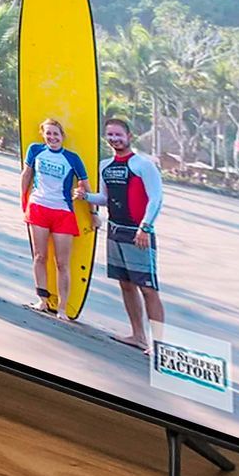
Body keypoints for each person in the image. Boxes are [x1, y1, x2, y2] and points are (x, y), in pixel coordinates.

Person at [83, 116, 166, 352]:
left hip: (138, 232)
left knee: (148, 289)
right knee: (126, 285)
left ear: (129, 137)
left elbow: (156, 199)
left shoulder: (143, 164)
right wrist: (85, 197)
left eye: (119, 134)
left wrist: (145, 227)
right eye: (110, 134)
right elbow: (106, 199)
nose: (114, 138)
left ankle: (159, 344)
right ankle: (138, 335)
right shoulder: (105, 165)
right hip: (115, 230)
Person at [20, 117, 92, 320]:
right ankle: (42, 300)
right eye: (48, 133)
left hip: (62, 211)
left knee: (62, 263)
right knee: (39, 256)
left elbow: (85, 187)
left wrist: (93, 213)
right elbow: (26, 175)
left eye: (56, 134)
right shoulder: (35, 150)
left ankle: (62, 308)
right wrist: (23, 200)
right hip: (38, 207)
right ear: (43, 134)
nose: (52, 137)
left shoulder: (72, 158)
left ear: (62, 136)